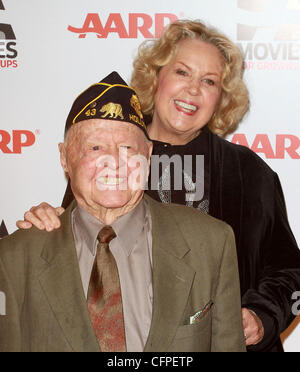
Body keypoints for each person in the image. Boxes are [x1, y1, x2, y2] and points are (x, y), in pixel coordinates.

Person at [18, 20, 300, 352]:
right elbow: (74, 253)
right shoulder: (108, 163)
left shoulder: (250, 172)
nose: (193, 90)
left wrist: (263, 316)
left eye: (209, 81)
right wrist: (48, 222)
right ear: (156, 78)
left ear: (221, 97)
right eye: (182, 72)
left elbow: (291, 270)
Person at [0, 71, 245, 352]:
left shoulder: (211, 243)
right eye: (95, 147)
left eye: (127, 148)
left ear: (148, 154)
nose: (113, 162)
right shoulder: (16, 257)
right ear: (65, 157)